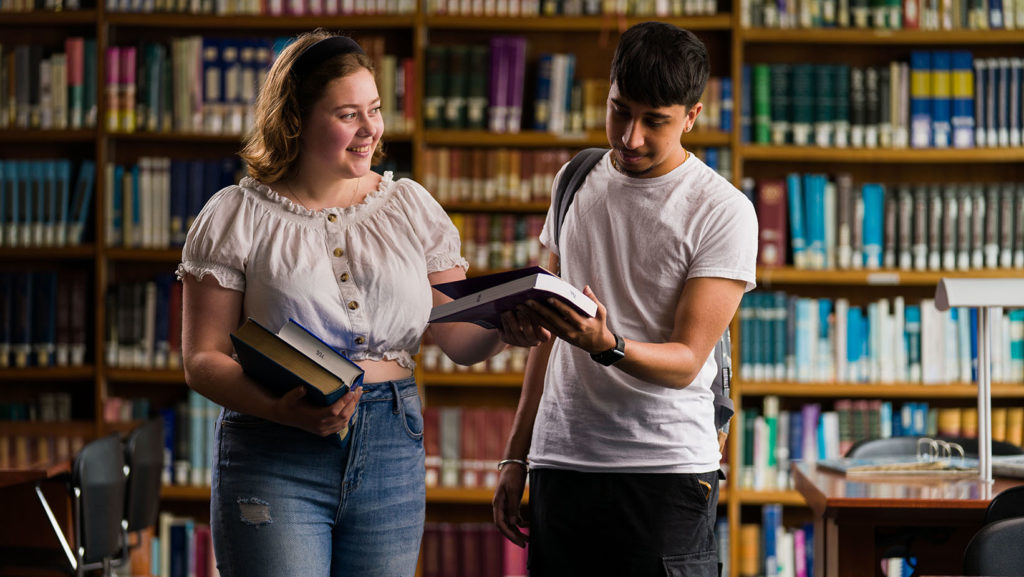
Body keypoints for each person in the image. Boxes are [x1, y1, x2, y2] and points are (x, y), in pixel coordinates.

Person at [178, 30, 506, 577]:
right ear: (296, 120)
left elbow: (459, 338)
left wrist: (507, 325)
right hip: (273, 444)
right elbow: (202, 359)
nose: (370, 130)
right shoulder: (236, 215)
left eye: (374, 110)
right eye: (348, 115)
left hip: (391, 444)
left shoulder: (409, 207)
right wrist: (281, 410)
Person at [491, 22, 758, 577]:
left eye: (655, 121)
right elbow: (548, 335)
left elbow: (687, 361)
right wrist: (517, 454)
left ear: (691, 117)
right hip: (561, 463)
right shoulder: (574, 180)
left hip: (665, 472)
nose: (630, 137)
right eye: (620, 110)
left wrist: (607, 346)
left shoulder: (722, 210)